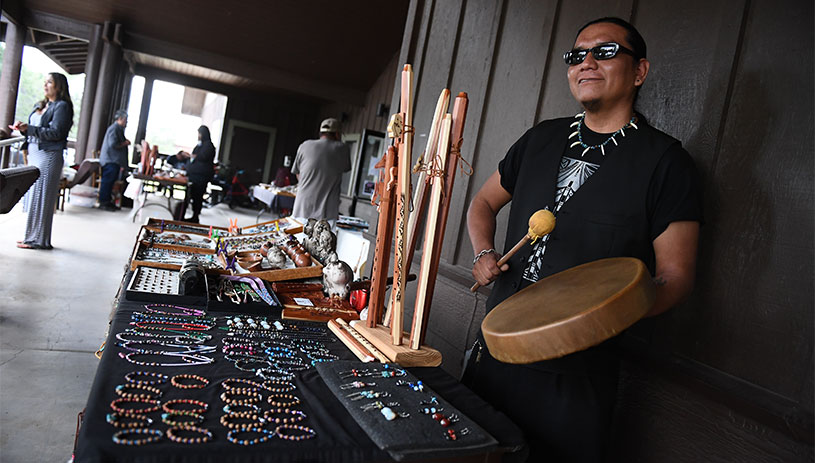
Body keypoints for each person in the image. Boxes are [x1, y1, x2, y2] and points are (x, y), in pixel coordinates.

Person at [464, 18, 702, 462]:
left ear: (640, 71)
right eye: (577, 55)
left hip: (575, 380)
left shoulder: (667, 164)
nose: (587, 62)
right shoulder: (540, 138)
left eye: (606, 52)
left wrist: (599, 313)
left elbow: (676, 276)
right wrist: (483, 252)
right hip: (494, 354)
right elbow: (482, 204)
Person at [9, 72, 74, 250]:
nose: (45, 85)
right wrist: (24, 129)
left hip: (49, 155)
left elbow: (56, 133)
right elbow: (35, 129)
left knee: (42, 197)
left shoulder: (62, 106)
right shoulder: (44, 105)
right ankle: (30, 236)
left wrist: (30, 129)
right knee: (33, 196)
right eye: (44, 82)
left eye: (50, 82)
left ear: (59, 86)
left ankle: (39, 240)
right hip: (34, 153)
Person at [291, 118, 351, 222]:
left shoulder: (304, 145)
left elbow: (297, 172)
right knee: (326, 238)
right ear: (337, 134)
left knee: (298, 237)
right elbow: (346, 168)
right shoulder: (342, 148)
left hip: (301, 208)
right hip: (327, 213)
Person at [177, 125, 216, 223]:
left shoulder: (209, 146)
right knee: (191, 195)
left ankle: (195, 216)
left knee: (197, 196)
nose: (198, 136)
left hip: (201, 176)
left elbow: (203, 157)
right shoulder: (199, 145)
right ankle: (183, 215)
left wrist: (191, 155)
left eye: (199, 133)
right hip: (193, 175)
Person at [98, 109, 131, 211]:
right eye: (125, 120)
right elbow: (113, 144)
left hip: (113, 160)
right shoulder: (114, 128)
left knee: (110, 182)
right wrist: (125, 143)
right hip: (110, 160)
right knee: (107, 182)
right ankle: (103, 202)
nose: (126, 122)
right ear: (120, 119)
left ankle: (108, 201)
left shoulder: (118, 129)